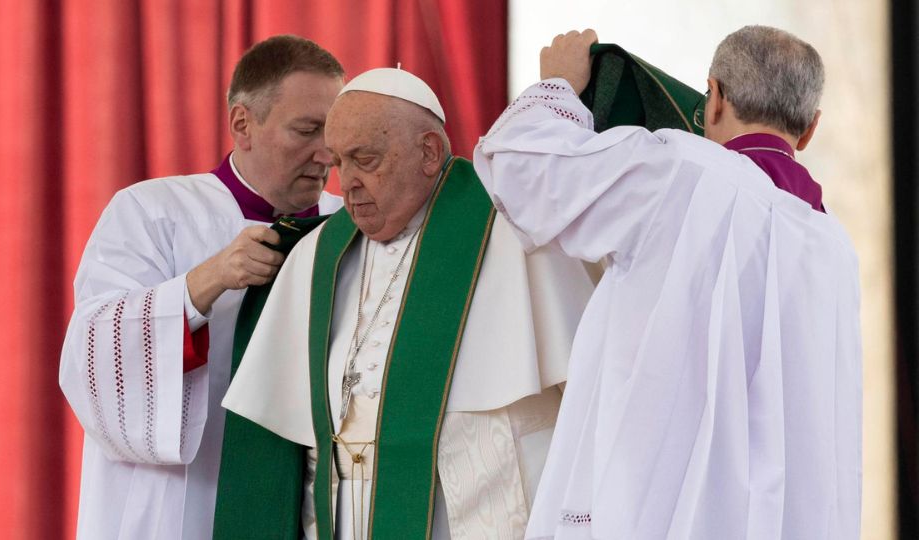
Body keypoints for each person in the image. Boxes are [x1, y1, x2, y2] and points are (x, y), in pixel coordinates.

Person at [474, 26, 861, 539]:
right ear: (809, 130)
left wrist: (559, 85)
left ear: (715, 99)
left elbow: (526, 169)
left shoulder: (678, 172)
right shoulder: (832, 242)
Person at [222, 67, 598, 539]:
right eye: (341, 163)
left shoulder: (511, 233)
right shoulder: (316, 256)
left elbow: (597, 400)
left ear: (429, 152)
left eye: (367, 159)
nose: (348, 185)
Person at [59, 35, 345, 539]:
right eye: (307, 130)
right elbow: (91, 356)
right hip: (181, 501)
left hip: (306, 501)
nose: (328, 154)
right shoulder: (152, 211)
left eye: (335, 132)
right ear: (243, 124)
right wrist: (202, 285)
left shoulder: (349, 228)